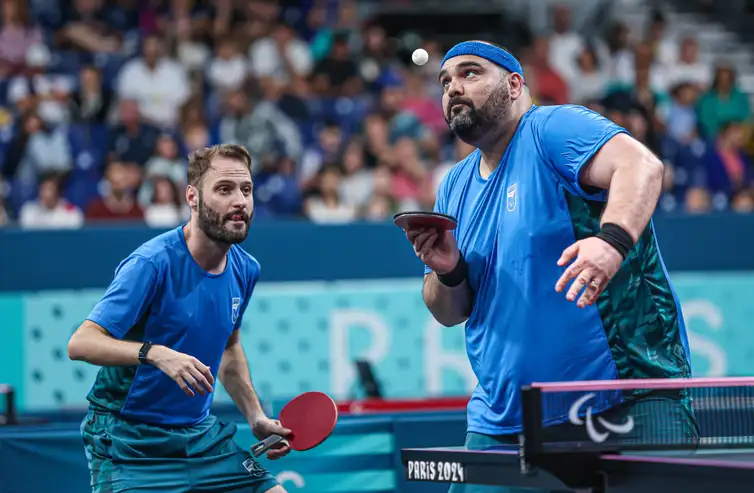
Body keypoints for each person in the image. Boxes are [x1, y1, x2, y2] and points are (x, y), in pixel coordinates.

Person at [404, 41, 698, 492]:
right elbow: (448, 311)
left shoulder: (551, 129)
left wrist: (611, 242)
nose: (453, 88)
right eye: (445, 82)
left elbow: (642, 166)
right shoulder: (454, 186)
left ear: (515, 84)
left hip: (625, 399)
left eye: (470, 73)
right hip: (503, 419)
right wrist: (449, 271)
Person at [68, 144, 290, 493]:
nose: (240, 201)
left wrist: (256, 416)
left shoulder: (246, 269)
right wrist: (155, 353)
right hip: (129, 439)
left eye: (246, 190)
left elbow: (229, 350)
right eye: (224, 189)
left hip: (200, 437)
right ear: (193, 197)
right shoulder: (152, 263)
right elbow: (81, 343)